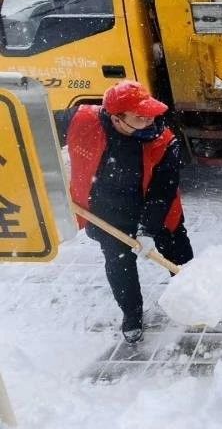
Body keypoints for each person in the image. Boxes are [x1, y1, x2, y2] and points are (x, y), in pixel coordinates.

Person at [65, 81, 193, 343]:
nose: (149, 122)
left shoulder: (164, 141)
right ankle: (132, 314)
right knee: (119, 265)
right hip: (107, 213)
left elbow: (162, 191)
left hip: (155, 208)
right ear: (116, 119)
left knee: (178, 253)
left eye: (150, 114)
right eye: (139, 117)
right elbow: (31, 125)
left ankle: (193, 296)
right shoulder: (84, 120)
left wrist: (147, 230)